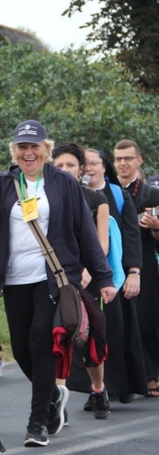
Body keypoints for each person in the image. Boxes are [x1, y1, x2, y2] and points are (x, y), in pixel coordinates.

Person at [0, 121, 116, 448]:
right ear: (14, 151)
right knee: (20, 349)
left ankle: (37, 422)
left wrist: (103, 278)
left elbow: (85, 232)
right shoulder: (2, 183)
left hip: (54, 279)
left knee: (39, 342)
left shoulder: (63, 184)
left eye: (35, 146)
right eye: (22, 147)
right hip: (13, 280)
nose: (28, 153)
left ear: (46, 149)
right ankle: (53, 395)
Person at [52, 142, 113, 419]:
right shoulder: (44, 197)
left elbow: (100, 244)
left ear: (81, 170)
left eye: (70, 165)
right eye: (59, 166)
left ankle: (98, 388)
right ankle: (56, 401)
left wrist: (92, 273)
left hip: (84, 278)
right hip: (54, 278)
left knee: (90, 339)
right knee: (58, 338)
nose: (64, 170)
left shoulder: (96, 200)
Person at [82, 149, 148, 403]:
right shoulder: (77, 195)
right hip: (85, 278)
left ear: (104, 167)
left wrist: (134, 272)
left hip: (114, 277)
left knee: (116, 332)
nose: (89, 169)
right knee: (88, 334)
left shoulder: (118, 195)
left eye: (94, 164)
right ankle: (96, 389)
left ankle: (119, 385)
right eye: (84, 164)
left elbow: (132, 236)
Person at [113, 140, 159, 395]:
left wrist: (156, 226)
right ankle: (122, 381)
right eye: (119, 158)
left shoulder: (150, 193)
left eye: (128, 158)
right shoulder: (108, 190)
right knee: (118, 323)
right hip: (112, 263)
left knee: (145, 320)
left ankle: (151, 376)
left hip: (144, 263)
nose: (123, 163)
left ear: (138, 161)